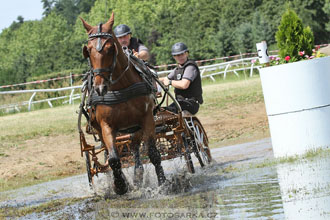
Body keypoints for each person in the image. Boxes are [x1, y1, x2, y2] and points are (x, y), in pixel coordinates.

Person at [159, 42, 203, 115]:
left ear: (186, 53)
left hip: (190, 103)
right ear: (174, 57)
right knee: (162, 111)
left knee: (166, 113)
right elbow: (164, 79)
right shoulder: (177, 69)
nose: (180, 57)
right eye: (177, 55)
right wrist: (152, 79)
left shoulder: (190, 67)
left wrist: (170, 82)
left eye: (182, 54)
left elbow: (184, 84)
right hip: (181, 102)